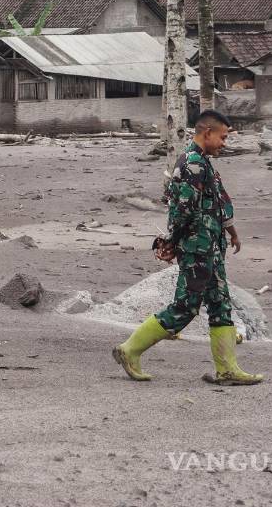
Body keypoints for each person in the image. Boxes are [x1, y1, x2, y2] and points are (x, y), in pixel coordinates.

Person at [112, 109, 263, 386]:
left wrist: (232, 232)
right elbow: (182, 211)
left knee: (220, 304)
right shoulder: (191, 164)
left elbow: (220, 202)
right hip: (197, 249)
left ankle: (227, 370)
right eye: (223, 137)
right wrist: (173, 242)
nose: (225, 143)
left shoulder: (204, 164)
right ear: (207, 133)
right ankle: (130, 349)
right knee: (186, 307)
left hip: (212, 248)